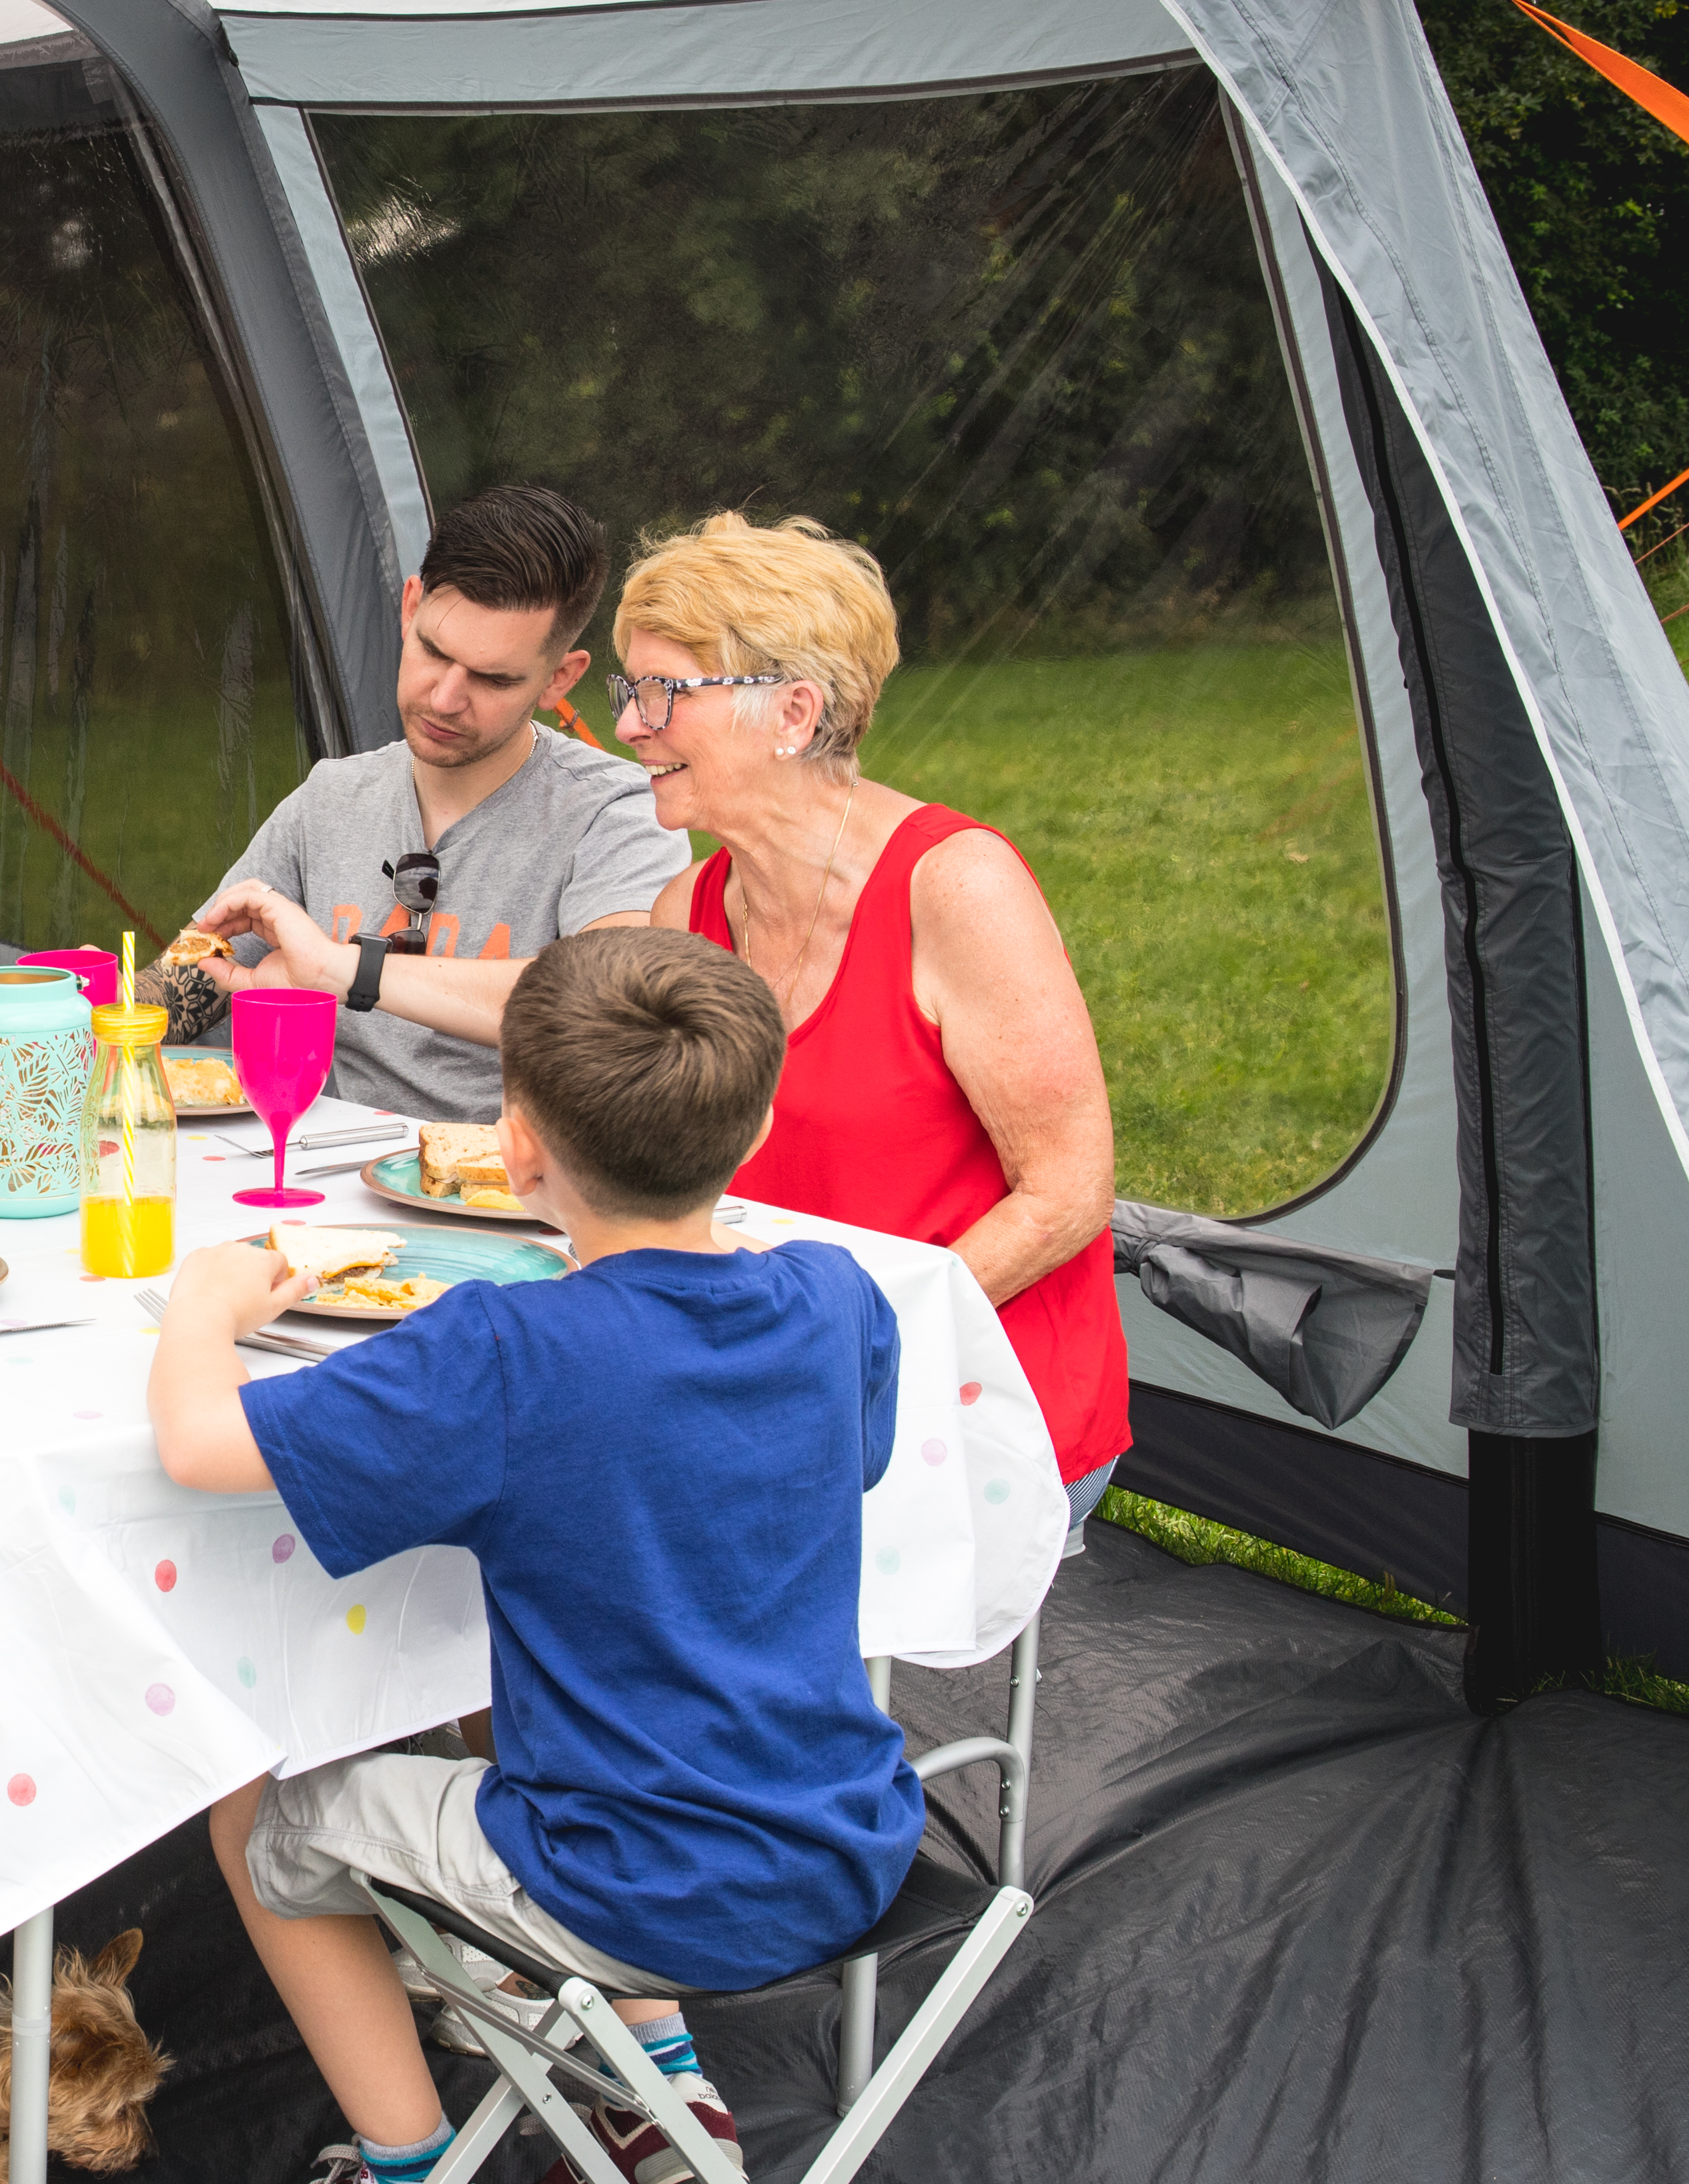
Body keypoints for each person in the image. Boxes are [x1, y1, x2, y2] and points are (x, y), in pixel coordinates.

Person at [146, 929, 916, 2184]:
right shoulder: (837, 1297)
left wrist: (202, 1307)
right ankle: (662, 2090)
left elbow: (200, 1445)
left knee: (251, 1813)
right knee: (511, 1686)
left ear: (513, 1144)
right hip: (853, 1842)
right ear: (749, 1126)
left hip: (624, 1881)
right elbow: (825, 1466)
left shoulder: (502, 1353)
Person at [192, 511, 1131, 1504]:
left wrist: (851, 1337)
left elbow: (1068, 1194)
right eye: (630, 691)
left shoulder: (955, 888)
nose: (630, 724)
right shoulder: (697, 906)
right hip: (761, 1376)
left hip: (958, 1391)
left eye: (664, 694)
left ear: (794, 715)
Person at [178, 483, 688, 1122]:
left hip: (513, 1195)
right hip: (320, 1170)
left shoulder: (618, 812)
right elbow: (201, 967)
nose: (445, 698)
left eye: (493, 678)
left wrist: (345, 970)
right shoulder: (333, 795)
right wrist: (85, 1027)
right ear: (410, 606)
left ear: (560, 678)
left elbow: (612, 1003)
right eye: (433, 651)